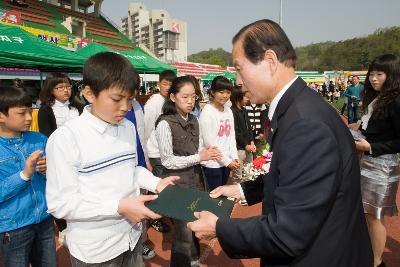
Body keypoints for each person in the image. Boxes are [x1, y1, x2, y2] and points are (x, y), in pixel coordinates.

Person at [188, 19, 373, 267]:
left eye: (239, 69)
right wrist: (243, 190)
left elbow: (288, 233)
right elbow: (290, 173)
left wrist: (221, 229)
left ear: (270, 61)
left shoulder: (305, 124)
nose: (237, 82)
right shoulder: (298, 109)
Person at [45, 52, 179, 266]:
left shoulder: (127, 127)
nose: (125, 107)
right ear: (89, 93)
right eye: (117, 99)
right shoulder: (65, 139)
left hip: (132, 238)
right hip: (97, 250)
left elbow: (132, 169)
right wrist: (118, 206)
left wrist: (156, 183)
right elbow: (60, 204)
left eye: (130, 99)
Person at [155, 76, 221, 267]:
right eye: (185, 97)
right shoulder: (165, 123)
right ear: (173, 97)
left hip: (197, 180)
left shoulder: (194, 119)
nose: (191, 101)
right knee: (183, 235)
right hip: (178, 184)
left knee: (195, 227)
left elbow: (199, 148)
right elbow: (167, 161)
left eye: (193, 97)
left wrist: (208, 155)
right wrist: (199, 157)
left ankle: (193, 260)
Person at [349, 54, 400, 267]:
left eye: (380, 74)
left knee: (374, 217)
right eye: (371, 73)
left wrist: (369, 146)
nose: (373, 78)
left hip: (382, 166)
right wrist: (354, 128)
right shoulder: (377, 98)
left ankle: (377, 263)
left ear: (392, 75)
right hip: (366, 164)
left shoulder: (396, 100)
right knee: (365, 214)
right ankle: (368, 255)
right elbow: (371, 127)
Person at [0, 86, 56, 267]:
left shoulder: (39, 139)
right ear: (1, 116)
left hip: (45, 220)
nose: (29, 118)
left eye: (30, 112)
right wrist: (24, 175)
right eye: (21, 113)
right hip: (13, 227)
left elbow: (60, 178)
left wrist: (50, 171)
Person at [144, 69, 176, 233]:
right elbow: (147, 129)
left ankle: (164, 212)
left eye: (171, 84)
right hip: (156, 154)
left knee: (167, 186)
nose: (168, 87)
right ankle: (153, 217)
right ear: (158, 84)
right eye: (165, 83)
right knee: (157, 187)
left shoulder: (170, 100)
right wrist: (147, 158)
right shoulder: (155, 102)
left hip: (167, 153)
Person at [199, 76, 239, 191]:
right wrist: (227, 161)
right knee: (214, 195)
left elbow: (231, 135)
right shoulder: (207, 112)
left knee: (222, 193)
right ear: (212, 92)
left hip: (226, 163)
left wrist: (234, 157)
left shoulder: (228, 110)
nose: (225, 95)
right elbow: (210, 143)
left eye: (228, 92)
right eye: (221, 92)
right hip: (213, 164)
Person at [38, 73, 82, 137]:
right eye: (60, 87)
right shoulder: (45, 110)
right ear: (51, 90)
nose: (65, 90)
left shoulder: (79, 107)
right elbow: (45, 135)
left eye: (68, 86)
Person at [230, 85, 256, 183]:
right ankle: (237, 196)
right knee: (238, 176)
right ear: (238, 97)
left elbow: (249, 128)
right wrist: (245, 145)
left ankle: (246, 195)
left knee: (248, 173)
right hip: (239, 149)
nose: (247, 99)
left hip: (248, 147)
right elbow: (236, 132)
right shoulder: (232, 112)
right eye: (245, 96)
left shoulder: (244, 110)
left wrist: (252, 141)